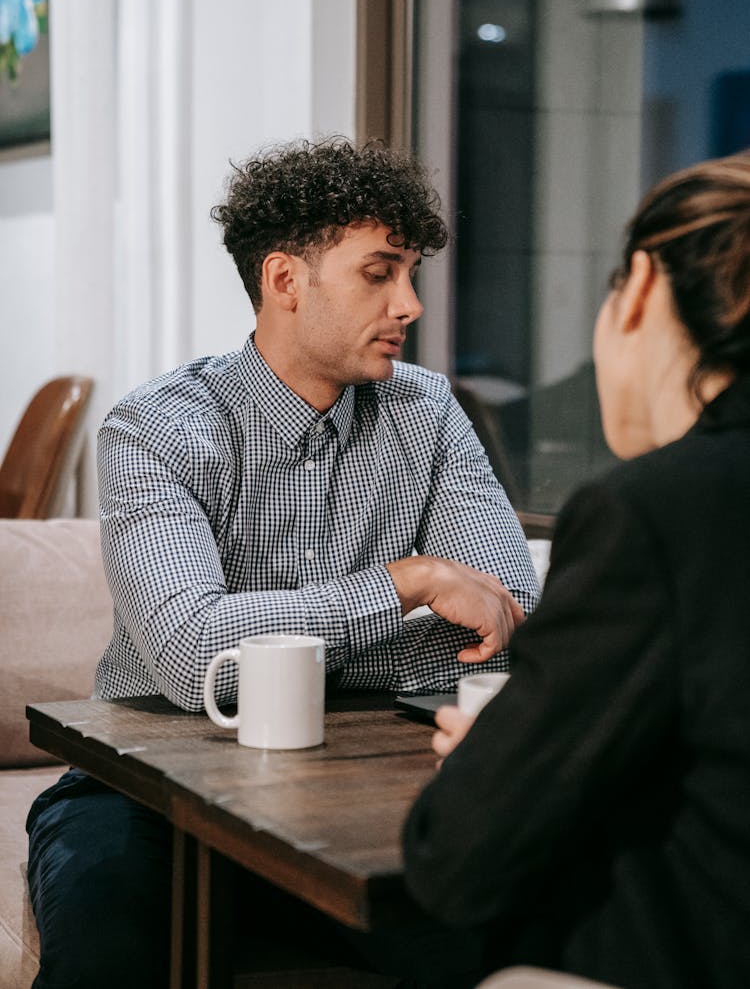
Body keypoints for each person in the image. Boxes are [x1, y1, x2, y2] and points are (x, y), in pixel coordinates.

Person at [26, 137, 538, 989]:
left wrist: (268, 639)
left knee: (491, 946)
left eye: (411, 272)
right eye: (380, 272)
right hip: (150, 794)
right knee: (106, 958)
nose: (409, 303)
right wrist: (405, 585)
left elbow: (497, 614)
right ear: (285, 281)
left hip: (368, 784)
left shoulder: (429, 411)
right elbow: (194, 657)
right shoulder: (155, 428)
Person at [402, 150, 750, 989]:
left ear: (637, 287)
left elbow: (454, 858)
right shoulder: (167, 423)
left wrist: (503, 753)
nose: (410, 307)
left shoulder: (653, 513)